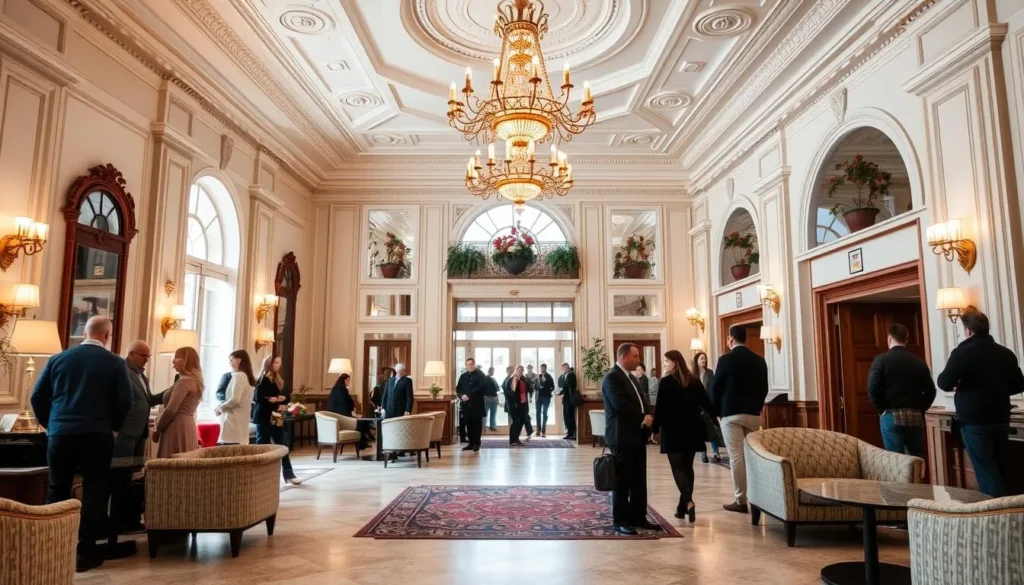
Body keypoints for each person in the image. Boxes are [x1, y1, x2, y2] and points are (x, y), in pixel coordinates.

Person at [30, 316, 132, 572]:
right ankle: (85, 552)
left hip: (60, 434)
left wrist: (51, 424)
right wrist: (114, 426)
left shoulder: (58, 359)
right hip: (97, 434)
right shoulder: (115, 363)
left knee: (57, 490)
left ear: (84, 332)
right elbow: (125, 400)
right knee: (94, 491)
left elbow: (37, 396)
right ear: (107, 335)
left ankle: (51, 549)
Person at [937, 310, 1024, 497]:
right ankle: (1011, 511)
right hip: (1001, 416)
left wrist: (963, 384)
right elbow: (1019, 384)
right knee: (1002, 467)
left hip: (974, 419)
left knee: (986, 470)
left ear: (968, 330)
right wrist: (996, 388)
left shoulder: (963, 352)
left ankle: (997, 516)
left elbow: (944, 382)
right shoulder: (1005, 353)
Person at [652, 350, 716, 522]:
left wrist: (654, 429)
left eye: (666, 361)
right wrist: (716, 421)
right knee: (688, 468)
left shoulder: (666, 382)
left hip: (673, 429)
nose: (664, 364)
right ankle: (681, 508)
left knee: (678, 468)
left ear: (674, 361)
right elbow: (707, 403)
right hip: (693, 429)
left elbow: (660, 408)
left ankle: (688, 502)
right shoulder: (694, 380)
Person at [602, 343, 659, 535]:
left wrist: (648, 418)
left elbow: (641, 400)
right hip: (621, 437)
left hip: (636, 435)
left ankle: (638, 517)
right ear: (624, 356)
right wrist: (642, 417)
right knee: (622, 481)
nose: (638, 360)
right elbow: (620, 405)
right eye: (635, 356)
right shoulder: (612, 377)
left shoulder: (630, 377)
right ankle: (621, 521)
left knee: (638, 481)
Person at [711, 325, 769, 514]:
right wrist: (757, 407)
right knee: (752, 457)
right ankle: (758, 498)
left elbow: (716, 387)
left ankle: (740, 500)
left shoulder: (725, 359)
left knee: (736, 456)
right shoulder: (759, 361)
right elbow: (764, 388)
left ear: (731, 338)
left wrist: (717, 412)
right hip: (753, 414)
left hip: (731, 414)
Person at [109, 340, 157, 540]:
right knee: (119, 479)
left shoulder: (141, 376)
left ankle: (130, 519)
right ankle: (117, 522)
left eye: (148, 356)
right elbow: (117, 400)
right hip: (124, 435)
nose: (146, 359)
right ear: (131, 354)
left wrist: (171, 392)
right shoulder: (123, 372)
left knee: (132, 477)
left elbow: (148, 400)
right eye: (143, 355)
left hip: (139, 434)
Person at [866, 323, 936, 458]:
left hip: (891, 413)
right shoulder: (918, 361)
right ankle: (916, 479)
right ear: (906, 339)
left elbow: (872, 388)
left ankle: (899, 480)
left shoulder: (881, 360)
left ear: (889, 338)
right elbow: (931, 390)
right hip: (914, 414)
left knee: (896, 459)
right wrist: (921, 408)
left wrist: (881, 408)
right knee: (916, 458)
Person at [253, 355, 300, 485]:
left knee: (282, 444)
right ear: (269, 363)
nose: (277, 365)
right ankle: (260, 474)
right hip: (264, 417)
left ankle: (288, 473)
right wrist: (272, 400)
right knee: (263, 445)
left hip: (276, 416)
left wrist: (282, 399)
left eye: (279, 363)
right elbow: (258, 399)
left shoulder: (277, 379)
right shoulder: (262, 379)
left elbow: (285, 394)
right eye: (275, 363)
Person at [152, 347, 203, 458]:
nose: (173, 360)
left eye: (177, 357)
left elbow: (171, 410)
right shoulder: (194, 381)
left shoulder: (184, 381)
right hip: (188, 426)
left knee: (172, 464)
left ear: (186, 360)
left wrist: (158, 430)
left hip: (176, 427)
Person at [215, 350, 256, 445]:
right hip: (242, 421)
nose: (229, 363)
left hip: (233, 421)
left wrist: (221, 407)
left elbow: (235, 400)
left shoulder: (239, 376)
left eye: (231, 360)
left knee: (229, 454)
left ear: (238, 361)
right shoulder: (247, 376)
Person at [326, 373, 374, 449]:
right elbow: (344, 404)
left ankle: (366, 440)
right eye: (348, 380)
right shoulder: (341, 389)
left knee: (363, 422)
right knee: (361, 422)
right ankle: (364, 442)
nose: (349, 382)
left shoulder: (338, 388)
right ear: (343, 380)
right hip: (342, 416)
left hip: (343, 414)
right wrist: (352, 414)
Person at [692, 351, 721, 463]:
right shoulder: (693, 375)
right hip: (697, 407)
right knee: (700, 431)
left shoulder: (710, 373)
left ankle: (716, 452)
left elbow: (713, 389)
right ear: (696, 361)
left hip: (708, 405)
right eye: (701, 358)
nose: (703, 360)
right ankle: (703, 454)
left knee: (712, 430)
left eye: (704, 358)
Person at [456, 358, 488, 451]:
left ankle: (477, 444)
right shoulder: (463, 376)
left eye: (471, 364)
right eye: (467, 365)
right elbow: (458, 389)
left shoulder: (481, 375)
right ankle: (470, 443)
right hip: (466, 404)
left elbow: (481, 388)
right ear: (466, 366)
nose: (469, 366)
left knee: (477, 425)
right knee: (468, 425)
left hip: (477, 404)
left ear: (474, 365)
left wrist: (469, 395)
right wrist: (461, 396)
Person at [505, 365, 530, 446]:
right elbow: (509, 393)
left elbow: (529, 389)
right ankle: (512, 440)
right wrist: (514, 403)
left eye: (522, 370)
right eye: (518, 370)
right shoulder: (511, 380)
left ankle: (517, 439)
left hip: (522, 405)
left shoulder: (524, 379)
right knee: (515, 421)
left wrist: (526, 381)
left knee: (522, 421)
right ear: (516, 370)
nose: (520, 372)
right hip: (514, 405)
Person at [534, 363, 555, 437]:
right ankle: (538, 430)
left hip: (546, 397)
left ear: (545, 368)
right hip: (538, 398)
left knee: (545, 413)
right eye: (541, 368)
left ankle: (544, 431)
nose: (542, 369)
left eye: (543, 368)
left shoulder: (549, 377)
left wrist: (547, 389)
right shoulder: (538, 377)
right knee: (537, 413)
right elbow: (535, 387)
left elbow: (553, 387)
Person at [560, 363, 578, 440]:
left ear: (566, 368)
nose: (562, 370)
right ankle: (569, 432)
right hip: (566, 399)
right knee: (566, 416)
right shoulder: (566, 375)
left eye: (563, 368)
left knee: (569, 416)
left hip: (569, 399)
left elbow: (568, 386)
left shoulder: (570, 375)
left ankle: (571, 433)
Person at [484, 367, 500, 431]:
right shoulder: (486, 379)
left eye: (493, 371)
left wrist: (497, 399)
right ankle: (484, 427)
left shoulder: (493, 379)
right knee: (486, 414)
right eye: (492, 371)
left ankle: (492, 426)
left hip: (493, 397)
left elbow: (497, 389)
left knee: (493, 413)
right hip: (488, 397)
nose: (493, 372)